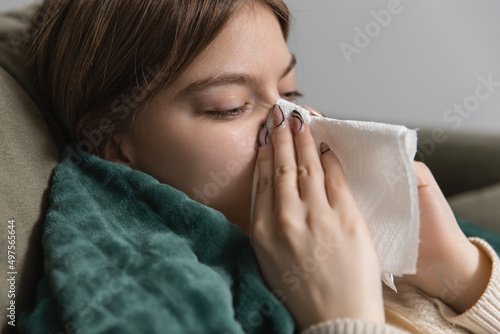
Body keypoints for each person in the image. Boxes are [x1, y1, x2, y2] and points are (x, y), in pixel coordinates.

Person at [23, 0, 500, 333]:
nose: (292, 124)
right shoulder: (145, 285)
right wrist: (342, 316)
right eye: (230, 107)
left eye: (291, 93)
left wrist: (462, 273)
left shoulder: (369, 226)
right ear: (117, 148)